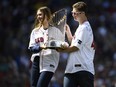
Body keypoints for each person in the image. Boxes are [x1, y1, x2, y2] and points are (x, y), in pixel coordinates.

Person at [57, 1, 96, 87]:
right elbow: (73, 43)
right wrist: (68, 30)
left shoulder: (84, 28)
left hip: (83, 69)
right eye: (72, 13)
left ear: (83, 13)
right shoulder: (80, 27)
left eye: (75, 13)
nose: (73, 15)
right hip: (72, 69)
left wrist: (60, 50)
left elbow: (75, 47)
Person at [28, 6, 64, 87]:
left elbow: (63, 45)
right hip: (36, 61)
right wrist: (41, 47)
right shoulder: (35, 31)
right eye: (37, 15)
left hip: (50, 61)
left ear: (47, 15)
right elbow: (31, 48)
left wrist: (55, 45)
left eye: (40, 14)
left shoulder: (56, 31)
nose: (38, 17)